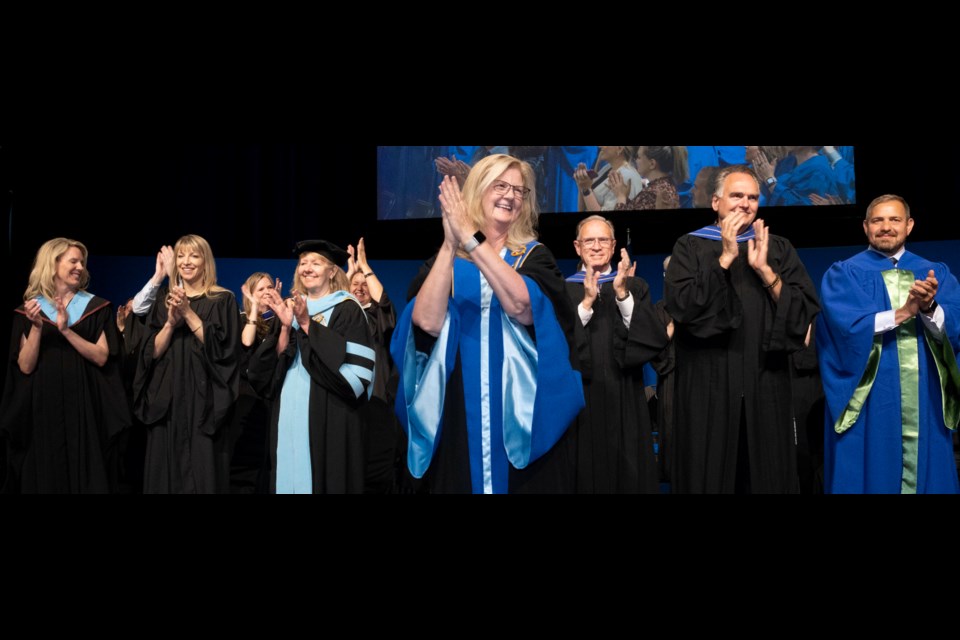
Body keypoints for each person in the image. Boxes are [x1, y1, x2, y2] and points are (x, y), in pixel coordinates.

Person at [392, 153, 585, 494]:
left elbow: (522, 305)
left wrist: (470, 237)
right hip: (457, 407)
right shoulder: (446, 262)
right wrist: (451, 246)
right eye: (500, 185)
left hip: (519, 413)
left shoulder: (532, 256)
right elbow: (425, 322)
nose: (510, 195)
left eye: (519, 190)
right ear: (478, 191)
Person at [664, 165, 820, 493]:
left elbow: (803, 314)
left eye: (752, 197)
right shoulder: (689, 246)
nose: (745, 204)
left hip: (766, 382)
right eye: (737, 196)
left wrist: (765, 271)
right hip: (708, 385)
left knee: (767, 476)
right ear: (716, 202)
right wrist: (725, 257)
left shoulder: (777, 248)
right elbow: (684, 307)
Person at [817, 194, 960, 493]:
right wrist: (904, 312)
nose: (886, 227)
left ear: (909, 225)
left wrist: (929, 307)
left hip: (924, 394)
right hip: (870, 393)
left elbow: (952, 333)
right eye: (878, 220)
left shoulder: (936, 273)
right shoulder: (845, 274)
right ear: (866, 227)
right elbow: (844, 330)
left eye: (894, 219)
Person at [0, 238, 129, 493]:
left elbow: (102, 356)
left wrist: (66, 331)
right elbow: (25, 367)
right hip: (42, 407)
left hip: (85, 405)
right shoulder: (30, 311)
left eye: (82, 262)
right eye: (73, 261)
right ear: (53, 264)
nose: (80, 267)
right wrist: (37, 328)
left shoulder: (96, 307)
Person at [247, 240, 375, 494]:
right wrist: (285, 326)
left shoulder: (347, 309)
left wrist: (306, 324)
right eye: (303, 263)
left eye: (316, 263)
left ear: (332, 271)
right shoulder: (289, 308)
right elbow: (268, 372)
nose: (307, 268)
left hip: (330, 415)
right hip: (288, 413)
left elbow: (354, 376)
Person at [565, 215, 669, 492]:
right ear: (577, 246)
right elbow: (559, 346)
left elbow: (650, 339)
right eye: (589, 240)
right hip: (580, 398)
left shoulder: (636, 287)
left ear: (613, 246)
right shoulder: (564, 290)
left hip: (625, 393)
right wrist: (586, 304)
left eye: (603, 240)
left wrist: (621, 294)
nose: (596, 246)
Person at [132, 234, 240, 493]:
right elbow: (151, 353)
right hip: (167, 400)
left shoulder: (222, 300)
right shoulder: (163, 301)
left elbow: (223, 351)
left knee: (202, 474)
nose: (186, 262)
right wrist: (170, 322)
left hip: (203, 401)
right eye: (180, 256)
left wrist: (188, 313)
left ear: (206, 262)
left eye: (194, 255)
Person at [345, 238, 405, 493]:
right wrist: (346, 275)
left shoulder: (377, 318)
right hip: (345, 402)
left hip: (376, 403)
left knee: (376, 472)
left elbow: (384, 302)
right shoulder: (339, 315)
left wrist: (365, 266)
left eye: (364, 285)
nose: (359, 288)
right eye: (354, 285)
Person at [227, 271, 281, 493]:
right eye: (261, 289)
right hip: (246, 399)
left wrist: (278, 313)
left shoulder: (279, 321)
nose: (267, 292)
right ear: (250, 294)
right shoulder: (241, 319)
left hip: (271, 398)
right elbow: (247, 341)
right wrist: (252, 309)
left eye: (270, 287)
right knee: (245, 465)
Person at [611, 146, 689, 210]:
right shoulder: (667, 185)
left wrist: (620, 196)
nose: (636, 160)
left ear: (652, 164)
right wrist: (625, 197)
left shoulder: (651, 194)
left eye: (638, 157)